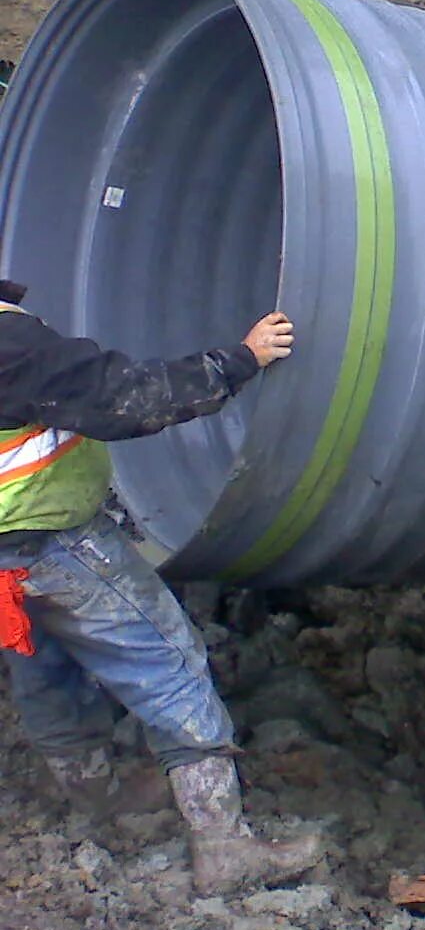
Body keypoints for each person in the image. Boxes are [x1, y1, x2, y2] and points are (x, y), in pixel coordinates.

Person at [0, 279, 323, 893]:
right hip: (50, 542)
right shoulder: (9, 343)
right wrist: (241, 359)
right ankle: (225, 847)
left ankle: (93, 795)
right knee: (168, 663)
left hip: (5, 563)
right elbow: (125, 399)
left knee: (43, 664)